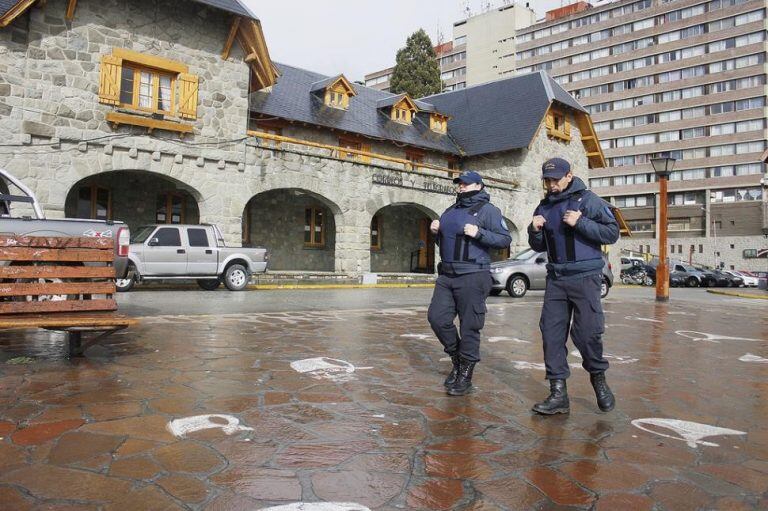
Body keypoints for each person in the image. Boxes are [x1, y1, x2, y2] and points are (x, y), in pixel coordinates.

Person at [527, 157, 619, 414]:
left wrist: (581, 222)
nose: (552, 184)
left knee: (587, 333)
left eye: (556, 179)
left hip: (585, 277)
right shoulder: (543, 206)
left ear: (569, 176)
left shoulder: (589, 200)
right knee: (551, 333)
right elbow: (539, 246)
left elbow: (612, 233)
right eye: (547, 180)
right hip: (556, 278)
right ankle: (558, 394)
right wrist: (533, 230)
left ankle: (598, 379)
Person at [428, 170, 512, 396]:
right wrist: (436, 233)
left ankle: (465, 372)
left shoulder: (488, 211)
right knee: (437, 318)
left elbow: (504, 239)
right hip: (447, 275)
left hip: (473, 275)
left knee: (470, 326)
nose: (461, 187)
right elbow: (447, 243)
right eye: (459, 183)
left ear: (479, 186)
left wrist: (479, 233)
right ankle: (457, 358)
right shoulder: (451, 210)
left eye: (465, 184)